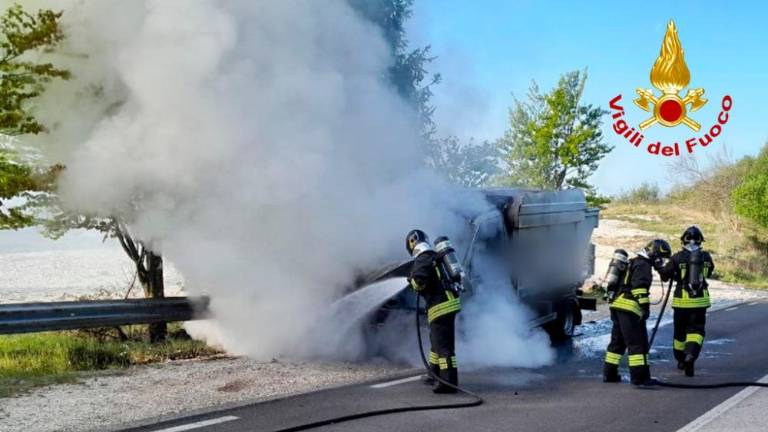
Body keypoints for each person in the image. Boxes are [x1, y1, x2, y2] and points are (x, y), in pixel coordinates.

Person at [604, 239, 671, 385]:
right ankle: (639, 378)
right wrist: (645, 308)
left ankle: (609, 374)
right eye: (661, 258)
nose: (661, 262)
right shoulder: (644, 265)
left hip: (617, 306)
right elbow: (639, 288)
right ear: (655, 254)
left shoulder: (633, 261)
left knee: (617, 343)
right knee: (637, 344)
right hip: (630, 309)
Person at [406, 229, 461, 394]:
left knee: (443, 347)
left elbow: (419, 281)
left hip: (440, 307)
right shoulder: (433, 257)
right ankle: (434, 374)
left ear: (412, 243)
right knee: (436, 343)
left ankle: (448, 382)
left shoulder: (422, 259)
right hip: (446, 304)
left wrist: (412, 283)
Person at [655, 226, 714, 377]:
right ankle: (691, 356)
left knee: (679, 333)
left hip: (681, 302)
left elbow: (665, 275)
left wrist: (659, 267)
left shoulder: (677, 257)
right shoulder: (706, 256)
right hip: (700, 301)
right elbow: (709, 272)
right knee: (696, 331)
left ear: (683, 240)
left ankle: (681, 360)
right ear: (701, 240)